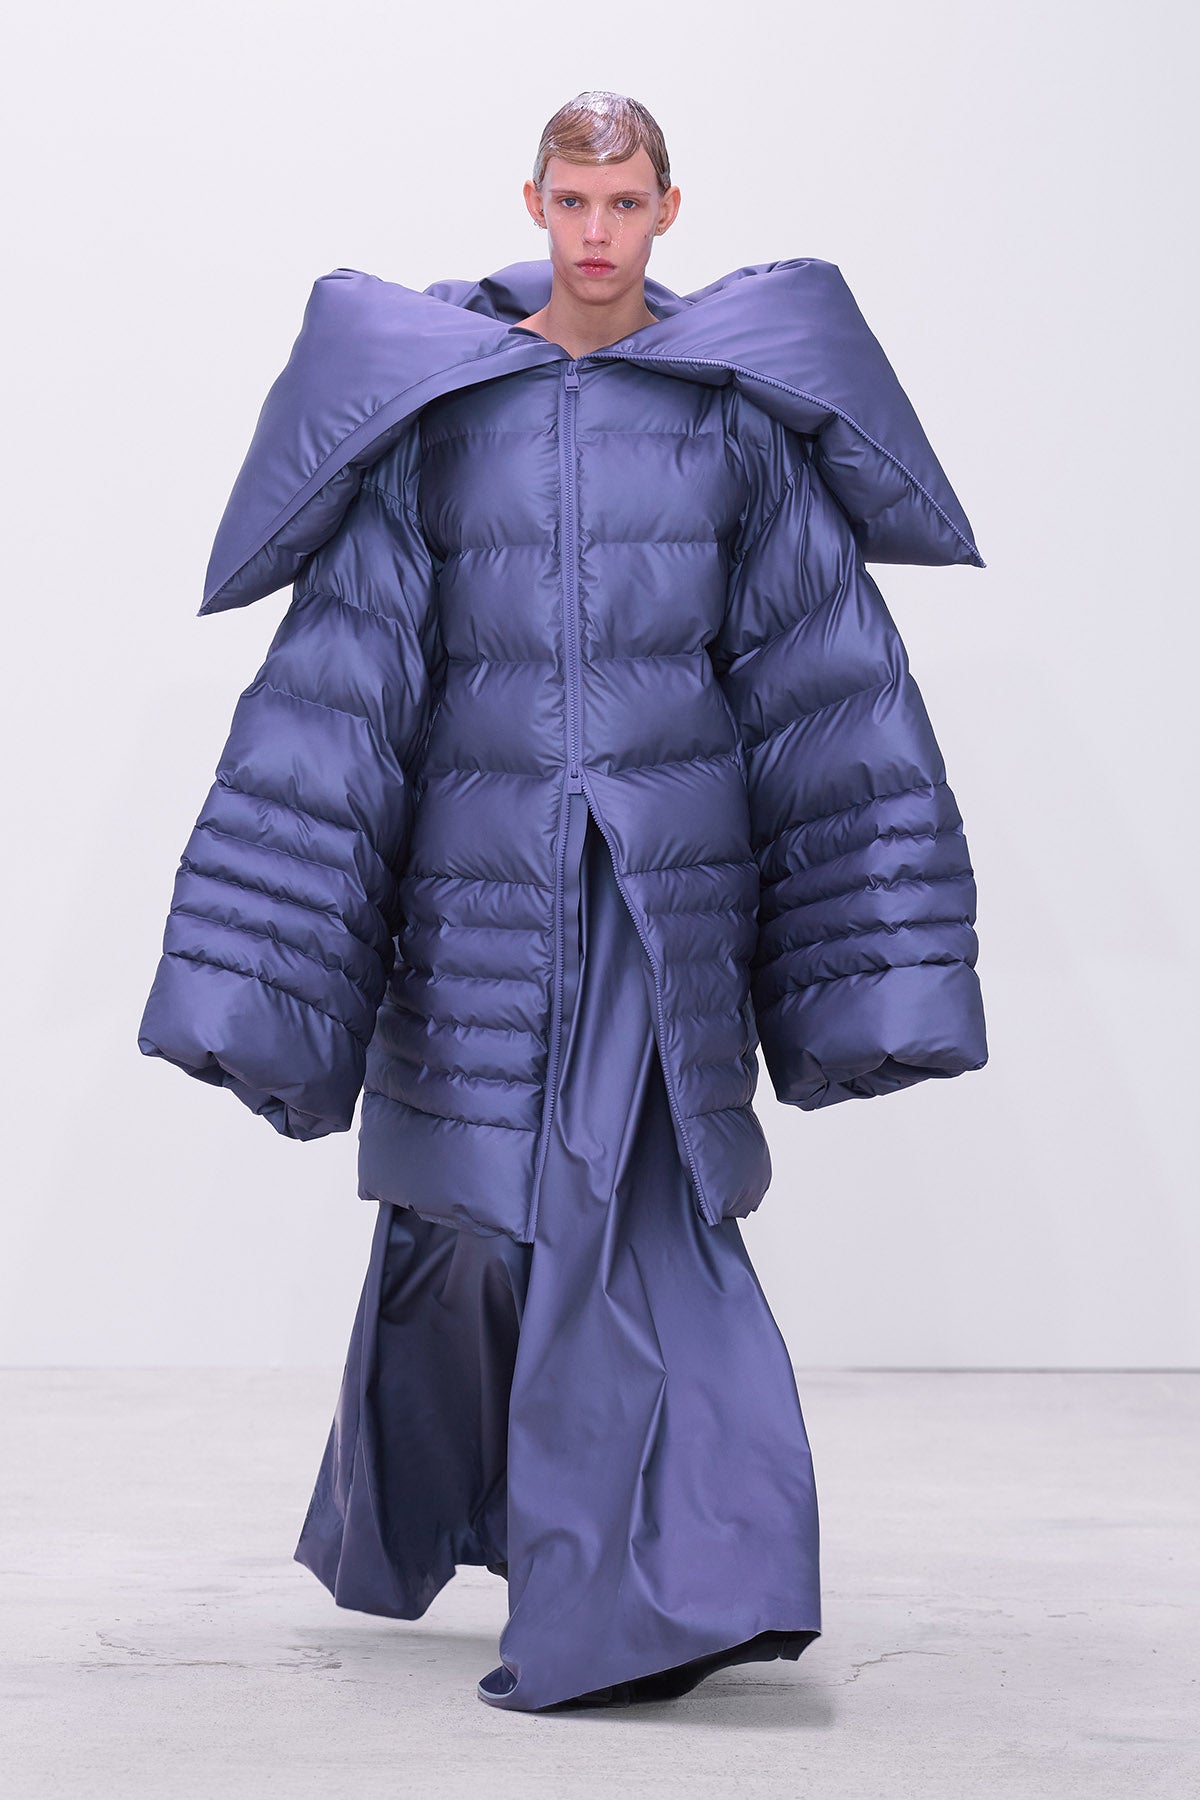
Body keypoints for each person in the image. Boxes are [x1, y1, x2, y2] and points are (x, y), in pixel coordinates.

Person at [138, 90, 988, 1712]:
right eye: (575, 202)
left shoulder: (728, 426)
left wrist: (882, 968)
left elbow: (826, 683)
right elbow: (341, 697)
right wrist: (255, 980)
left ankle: (661, 1600)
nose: (599, 233)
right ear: (533, 202)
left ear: (670, 210)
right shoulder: (446, 425)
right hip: (479, 896)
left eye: (627, 203)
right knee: (478, 1226)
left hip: (661, 904)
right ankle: (562, 1541)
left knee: (628, 1217)